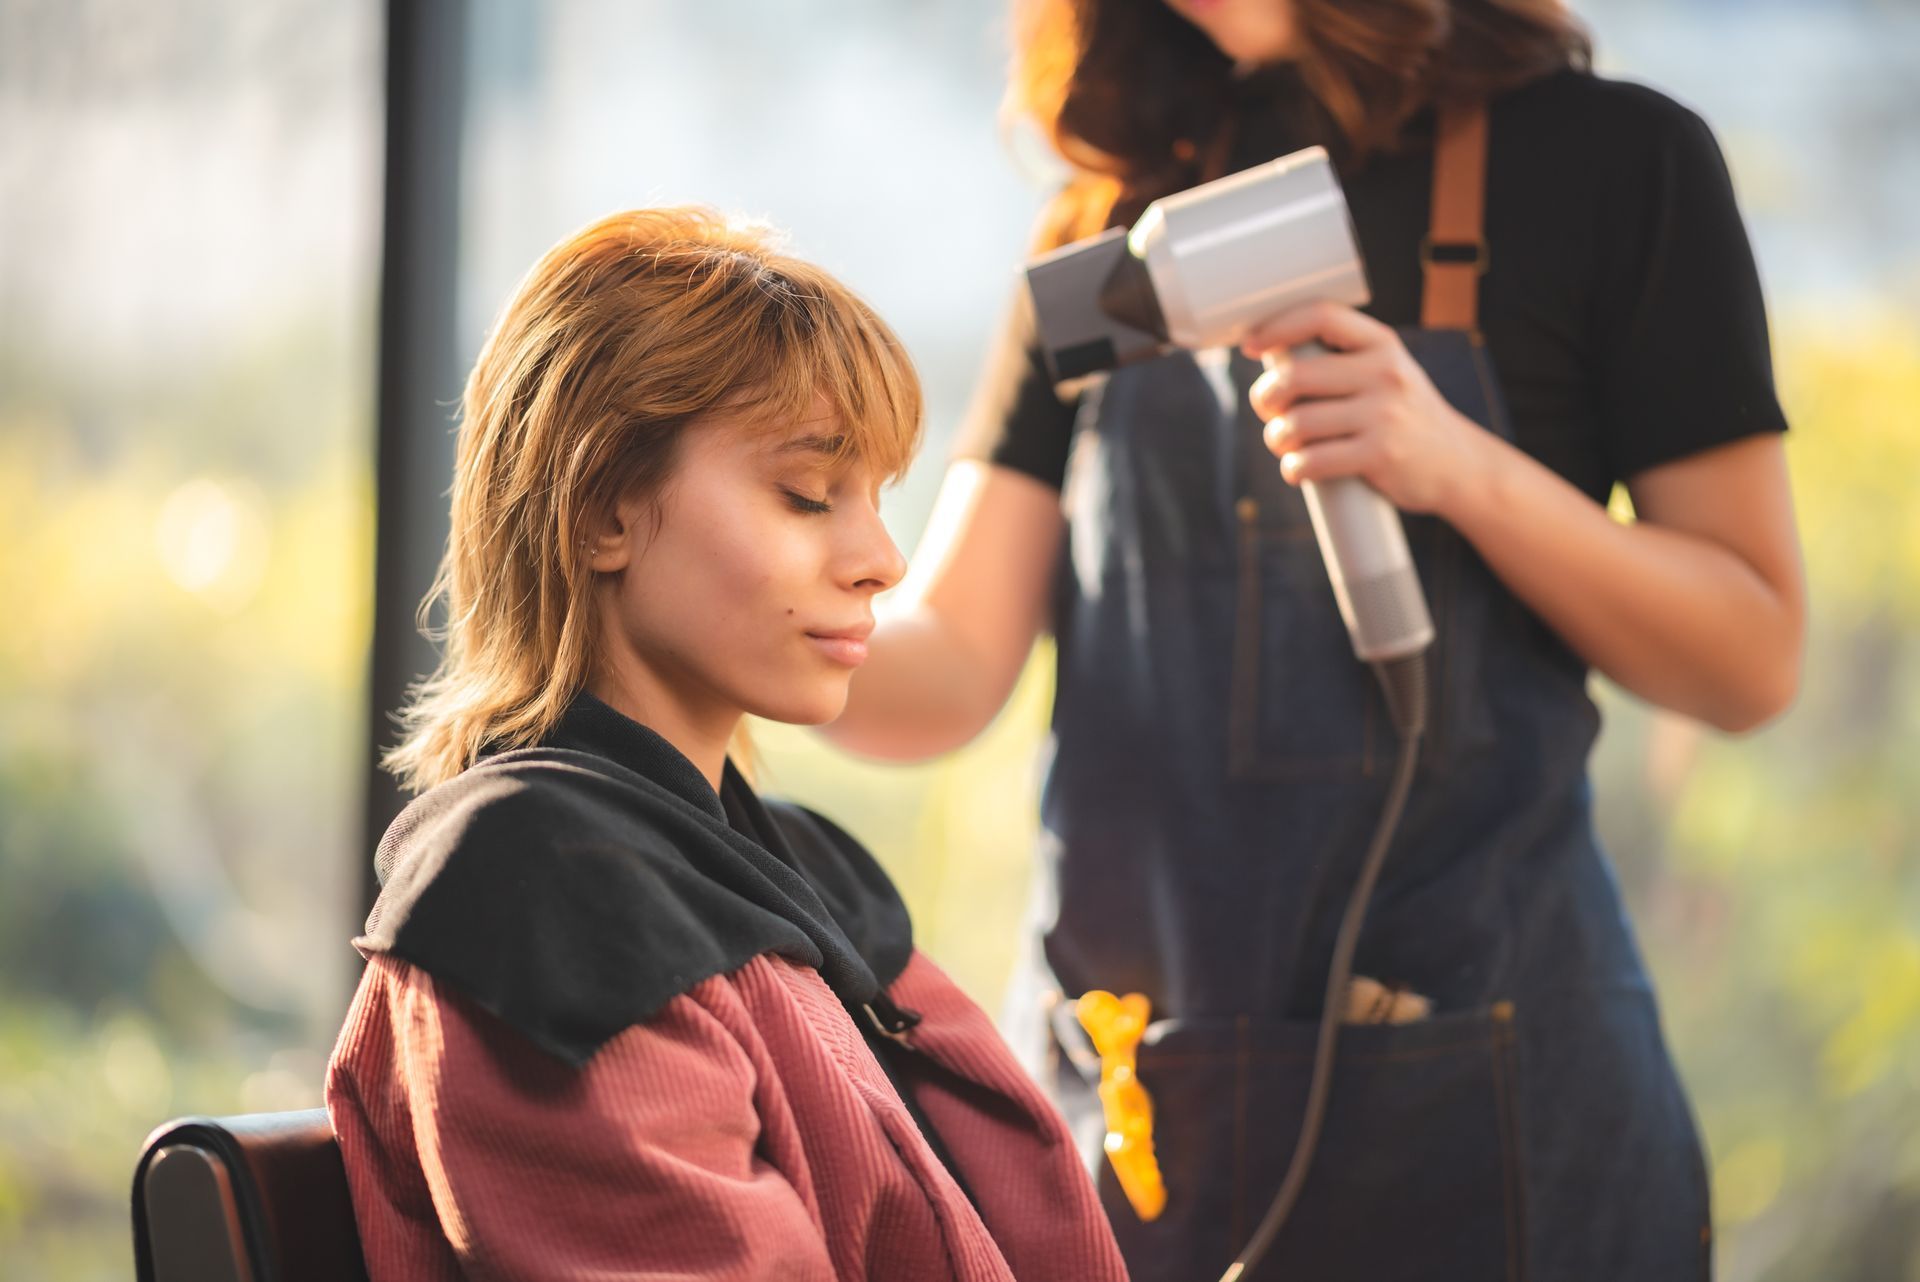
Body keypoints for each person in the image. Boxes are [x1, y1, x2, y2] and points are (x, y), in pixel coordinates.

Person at [825, 1, 1806, 1278]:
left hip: (1499, 1118)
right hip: (1143, 1122)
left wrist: (1459, 467)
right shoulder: (1111, 228)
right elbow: (950, 661)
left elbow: (1751, 652)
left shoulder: (1616, 168)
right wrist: (741, 626)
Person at [323, 208, 1130, 1282]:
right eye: (807, 495)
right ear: (603, 510)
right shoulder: (546, 894)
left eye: (876, 499)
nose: (883, 559)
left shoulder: (801, 870)